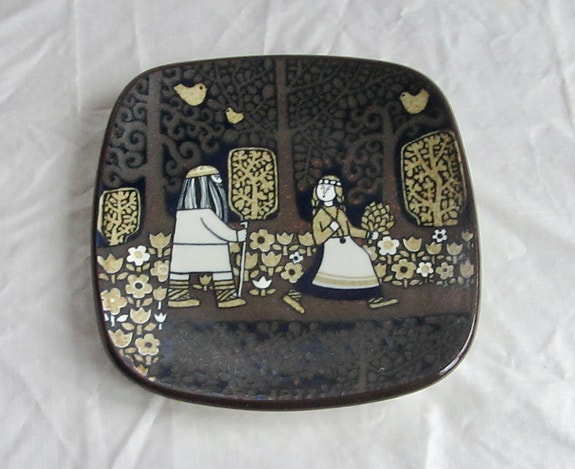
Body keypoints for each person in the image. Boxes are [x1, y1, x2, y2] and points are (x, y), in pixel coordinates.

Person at [283, 175, 397, 313]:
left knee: (362, 258)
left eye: (328, 189)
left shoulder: (339, 212)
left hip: (345, 244)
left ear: (336, 192)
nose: (324, 192)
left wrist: (368, 234)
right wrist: (331, 229)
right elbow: (318, 238)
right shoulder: (320, 214)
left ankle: (374, 297)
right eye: (321, 188)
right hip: (330, 246)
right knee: (316, 271)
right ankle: (293, 295)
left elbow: (350, 229)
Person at [168, 165, 247, 308]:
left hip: (184, 252)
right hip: (210, 251)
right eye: (216, 179)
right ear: (204, 184)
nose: (220, 183)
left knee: (180, 272)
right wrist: (240, 235)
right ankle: (226, 297)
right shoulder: (205, 213)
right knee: (222, 270)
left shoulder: (182, 212)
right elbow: (221, 232)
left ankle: (176, 295)